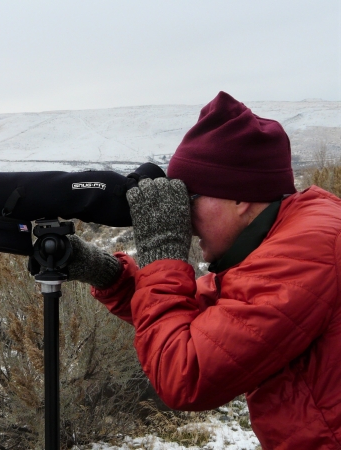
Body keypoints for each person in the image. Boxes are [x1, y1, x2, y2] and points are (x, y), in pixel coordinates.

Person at [67, 91, 341, 449]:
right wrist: (109, 275)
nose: (187, 221)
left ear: (241, 198)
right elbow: (208, 316)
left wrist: (163, 249)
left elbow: (185, 371)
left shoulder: (307, 252)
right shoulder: (294, 235)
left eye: (190, 201)